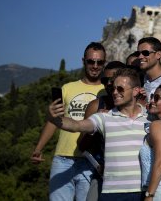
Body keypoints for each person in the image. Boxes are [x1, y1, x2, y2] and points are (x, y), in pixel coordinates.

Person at [49, 67, 149, 201]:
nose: (114, 92)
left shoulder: (149, 118)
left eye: (120, 89)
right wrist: (54, 118)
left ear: (136, 91)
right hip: (112, 193)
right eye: (113, 88)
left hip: (142, 192)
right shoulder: (104, 118)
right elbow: (76, 125)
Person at [31, 42, 106, 201]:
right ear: (83, 61)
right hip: (62, 159)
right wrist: (39, 148)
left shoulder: (107, 92)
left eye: (99, 62)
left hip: (91, 162)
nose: (95, 65)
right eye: (91, 61)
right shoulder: (68, 88)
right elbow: (54, 121)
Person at [79, 61, 125, 201]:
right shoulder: (96, 105)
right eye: (105, 80)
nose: (109, 84)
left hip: (132, 179)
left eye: (113, 79)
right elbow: (81, 145)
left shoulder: (138, 105)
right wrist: (97, 124)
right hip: (102, 176)